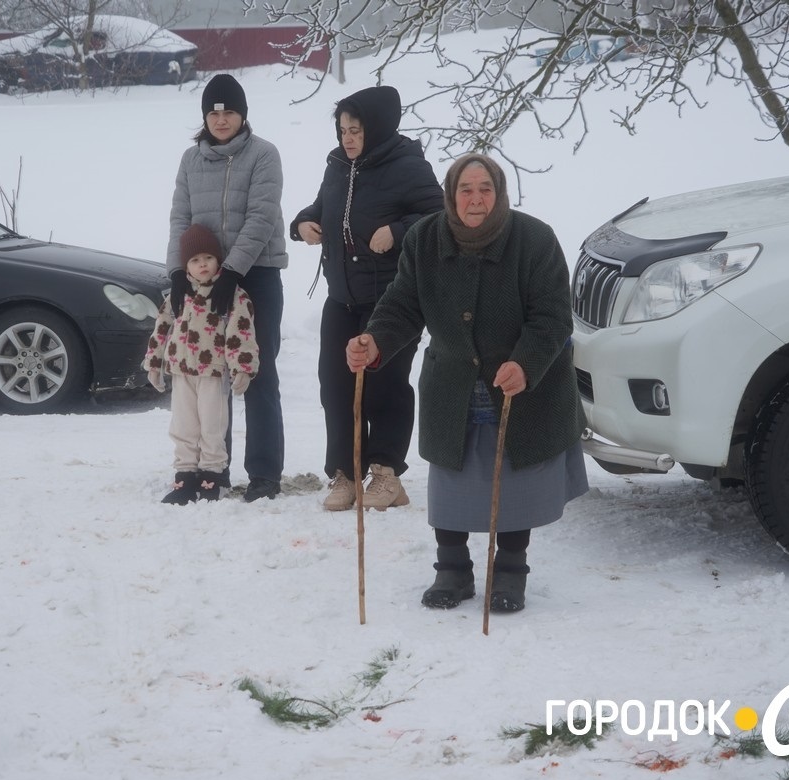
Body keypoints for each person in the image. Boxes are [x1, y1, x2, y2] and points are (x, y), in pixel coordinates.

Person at [345, 153, 588, 613]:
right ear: (451, 195)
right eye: (466, 190)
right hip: (453, 382)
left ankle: (511, 573)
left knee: (514, 481)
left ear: (499, 194)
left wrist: (526, 363)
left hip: (519, 383)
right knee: (452, 483)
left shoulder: (534, 239)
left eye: (485, 190)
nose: (476, 199)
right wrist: (374, 340)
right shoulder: (424, 239)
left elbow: (553, 316)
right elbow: (402, 304)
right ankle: (451, 570)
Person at [291, 85, 444, 513]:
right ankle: (345, 472)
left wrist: (397, 231)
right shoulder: (339, 165)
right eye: (342, 130)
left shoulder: (407, 166)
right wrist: (303, 223)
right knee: (335, 385)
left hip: (392, 300)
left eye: (355, 130)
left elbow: (440, 217)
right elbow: (323, 207)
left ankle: (386, 474)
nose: (348, 139)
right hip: (341, 297)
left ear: (376, 128)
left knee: (385, 385)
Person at [167, 73, 288, 503]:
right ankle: (213, 470)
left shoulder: (263, 155)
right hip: (203, 280)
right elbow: (179, 219)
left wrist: (233, 271)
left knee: (255, 371)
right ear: (205, 116)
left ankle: (264, 473)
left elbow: (262, 216)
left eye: (229, 111)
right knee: (210, 374)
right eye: (214, 112)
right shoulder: (190, 160)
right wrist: (178, 274)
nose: (221, 119)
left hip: (255, 275)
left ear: (242, 114)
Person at [144, 223, 259, 505]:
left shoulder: (232, 294)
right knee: (183, 426)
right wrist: (154, 363)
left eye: (208, 257)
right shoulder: (178, 293)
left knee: (212, 426)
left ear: (218, 259)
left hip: (213, 373)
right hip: (181, 371)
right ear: (186, 265)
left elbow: (241, 331)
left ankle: (212, 476)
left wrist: (242, 367)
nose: (202, 264)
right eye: (195, 260)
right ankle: (185, 475)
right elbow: (162, 328)